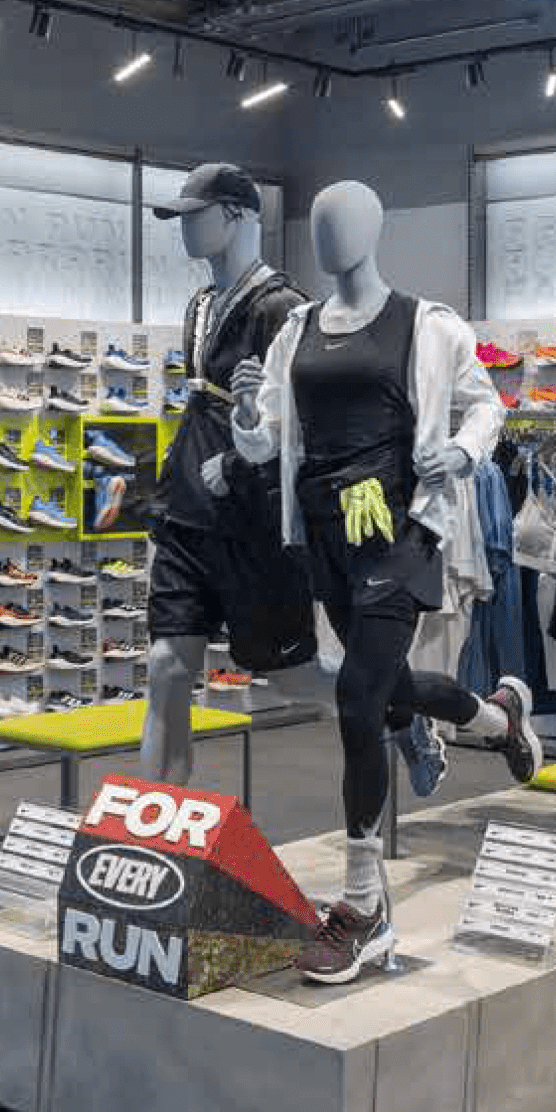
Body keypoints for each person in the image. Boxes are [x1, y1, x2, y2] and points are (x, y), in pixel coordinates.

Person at [232, 180, 543, 983]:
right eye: (320, 225)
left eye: (343, 223)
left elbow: (485, 407)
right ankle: (498, 717)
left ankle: (363, 906)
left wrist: (463, 452)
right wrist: (246, 425)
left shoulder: (427, 324)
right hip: (324, 533)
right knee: (388, 686)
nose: (329, 236)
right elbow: (268, 439)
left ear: (373, 230)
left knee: (357, 699)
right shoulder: (297, 329)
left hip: (400, 530)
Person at [139, 162, 316, 786]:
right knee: (166, 667)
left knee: (295, 678)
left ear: (236, 215)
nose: (184, 229)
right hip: (187, 511)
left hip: (251, 522)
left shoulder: (284, 309)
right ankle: (151, 822)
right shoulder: (201, 305)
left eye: (195, 216)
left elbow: (304, 425)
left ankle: (400, 712)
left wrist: (240, 458)